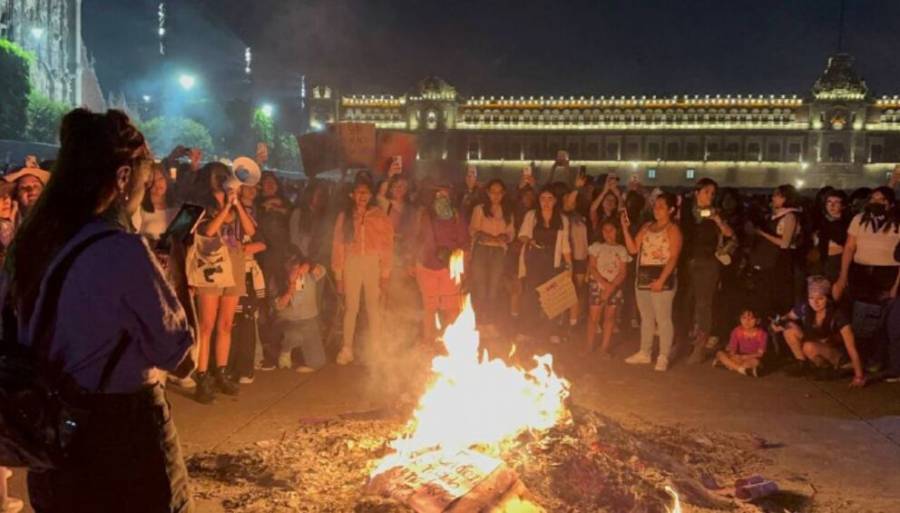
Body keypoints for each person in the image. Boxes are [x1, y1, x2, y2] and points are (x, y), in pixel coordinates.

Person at [4, 109, 194, 511]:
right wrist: (178, 265)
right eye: (145, 179)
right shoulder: (122, 249)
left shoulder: (30, 245)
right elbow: (180, 357)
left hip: (53, 435)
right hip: (122, 432)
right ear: (123, 177)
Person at [190, 163, 257, 403]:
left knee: (226, 323)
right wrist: (226, 206)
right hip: (212, 263)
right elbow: (208, 231)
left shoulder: (238, 206)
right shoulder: (202, 207)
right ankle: (202, 375)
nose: (225, 181)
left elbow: (250, 229)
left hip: (235, 260)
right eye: (220, 177)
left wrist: (237, 204)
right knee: (207, 324)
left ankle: (221, 371)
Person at [332, 177, 393, 365]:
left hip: (372, 264)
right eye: (358, 192)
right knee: (351, 308)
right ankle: (347, 348)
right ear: (352, 195)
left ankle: (376, 348)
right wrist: (339, 276)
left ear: (371, 195)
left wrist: (385, 273)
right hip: (352, 263)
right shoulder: (345, 216)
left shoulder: (379, 215)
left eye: (365, 192)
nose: (362, 196)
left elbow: (387, 245)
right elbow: (338, 246)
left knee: (374, 308)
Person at [622, 192, 683, 371]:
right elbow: (633, 249)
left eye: (661, 206)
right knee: (646, 317)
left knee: (663, 318)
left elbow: (673, 257)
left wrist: (662, 279)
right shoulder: (647, 226)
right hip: (644, 275)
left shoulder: (673, 230)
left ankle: (663, 355)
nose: (657, 209)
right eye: (655, 205)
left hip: (662, 276)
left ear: (671, 210)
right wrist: (625, 229)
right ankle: (645, 352)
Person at [681, 178, 734, 364]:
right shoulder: (687, 211)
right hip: (688, 261)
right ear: (697, 193)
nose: (709, 196)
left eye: (712, 193)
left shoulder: (716, 213)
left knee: (704, 304)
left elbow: (729, 233)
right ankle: (686, 339)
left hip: (708, 263)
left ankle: (700, 346)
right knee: (687, 301)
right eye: (706, 192)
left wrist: (717, 219)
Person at [777, 276, 866, 386]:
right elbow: (788, 316)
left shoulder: (838, 315)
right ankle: (804, 365)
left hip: (837, 352)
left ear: (827, 298)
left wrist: (859, 376)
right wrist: (778, 322)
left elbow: (851, 347)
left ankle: (836, 367)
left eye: (820, 298)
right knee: (789, 330)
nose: (815, 302)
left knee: (808, 347)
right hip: (816, 345)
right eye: (811, 298)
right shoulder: (805, 307)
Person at [413, 182, 470, 345]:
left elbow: (465, 243)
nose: (441, 198)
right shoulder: (424, 215)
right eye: (438, 195)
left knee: (451, 308)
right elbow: (415, 238)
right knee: (429, 308)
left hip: (449, 268)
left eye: (445, 195)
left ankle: (450, 343)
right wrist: (412, 262)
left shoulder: (457, 216)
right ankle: (429, 341)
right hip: (426, 267)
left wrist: (457, 258)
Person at [517, 184, 572, 344]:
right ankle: (526, 330)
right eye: (543, 198)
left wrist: (569, 265)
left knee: (553, 297)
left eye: (549, 199)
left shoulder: (562, 219)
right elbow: (522, 235)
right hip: (534, 259)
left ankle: (551, 331)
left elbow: (565, 244)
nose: (546, 202)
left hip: (553, 261)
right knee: (530, 296)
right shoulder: (532, 215)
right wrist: (530, 240)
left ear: (555, 201)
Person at [228, 183, 267, 384]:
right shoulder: (227, 209)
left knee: (247, 320)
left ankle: (245, 368)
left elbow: (261, 241)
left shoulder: (256, 213)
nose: (252, 190)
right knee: (230, 321)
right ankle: (229, 367)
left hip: (247, 272)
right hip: (229, 271)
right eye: (247, 186)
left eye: (255, 187)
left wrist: (243, 249)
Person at [469, 179, 515, 335]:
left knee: (493, 288)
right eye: (493, 192)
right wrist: (490, 238)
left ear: (503, 194)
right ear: (488, 193)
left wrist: (503, 239)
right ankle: (480, 321)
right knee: (480, 287)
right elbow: (474, 231)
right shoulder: (480, 209)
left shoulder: (508, 211)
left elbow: (510, 233)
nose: (496, 195)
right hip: (482, 251)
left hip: (498, 253)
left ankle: (490, 321)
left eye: (499, 192)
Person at [270, 249, 327, 372]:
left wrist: (308, 266)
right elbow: (278, 306)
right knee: (296, 335)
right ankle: (285, 351)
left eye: (297, 264)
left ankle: (306, 353)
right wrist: (290, 291)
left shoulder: (308, 274)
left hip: (308, 320)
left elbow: (322, 270)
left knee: (318, 362)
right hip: (287, 321)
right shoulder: (277, 279)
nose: (295, 269)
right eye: (291, 266)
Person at [754, 184, 801, 317]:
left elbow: (784, 243)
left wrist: (763, 234)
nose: (773, 198)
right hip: (771, 260)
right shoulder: (775, 215)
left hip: (781, 260)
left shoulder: (790, 216)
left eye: (777, 195)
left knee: (779, 293)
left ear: (785, 198)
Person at [585, 219, 630, 356]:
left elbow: (623, 271)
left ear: (617, 231)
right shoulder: (596, 247)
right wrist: (603, 284)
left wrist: (611, 287)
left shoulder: (622, 249)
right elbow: (592, 267)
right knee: (593, 317)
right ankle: (588, 346)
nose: (608, 233)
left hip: (614, 287)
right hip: (597, 285)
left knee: (610, 318)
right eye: (605, 230)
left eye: (611, 230)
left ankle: (604, 348)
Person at [714, 308, 767, 377]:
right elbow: (733, 349)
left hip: (752, 357)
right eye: (744, 318)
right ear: (740, 319)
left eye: (751, 318)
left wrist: (744, 357)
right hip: (739, 355)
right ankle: (741, 369)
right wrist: (734, 355)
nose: (747, 321)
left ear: (758, 320)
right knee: (720, 353)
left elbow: (760, 354)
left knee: (754, 363)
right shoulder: (736, 331)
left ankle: (729, 365)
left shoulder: (762, 334)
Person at [811, 189, 850, 282]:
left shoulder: (847, 223)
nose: (832, 205)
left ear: (843, 205)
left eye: (836, 202)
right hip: (822, 259)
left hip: (838, 259)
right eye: (829, 202)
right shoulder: (820, 221)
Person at [134, 163, 177, 242]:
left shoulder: (178, 207)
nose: (157, 184)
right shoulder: (139, 208)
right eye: (153, 181)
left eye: (160, 178)